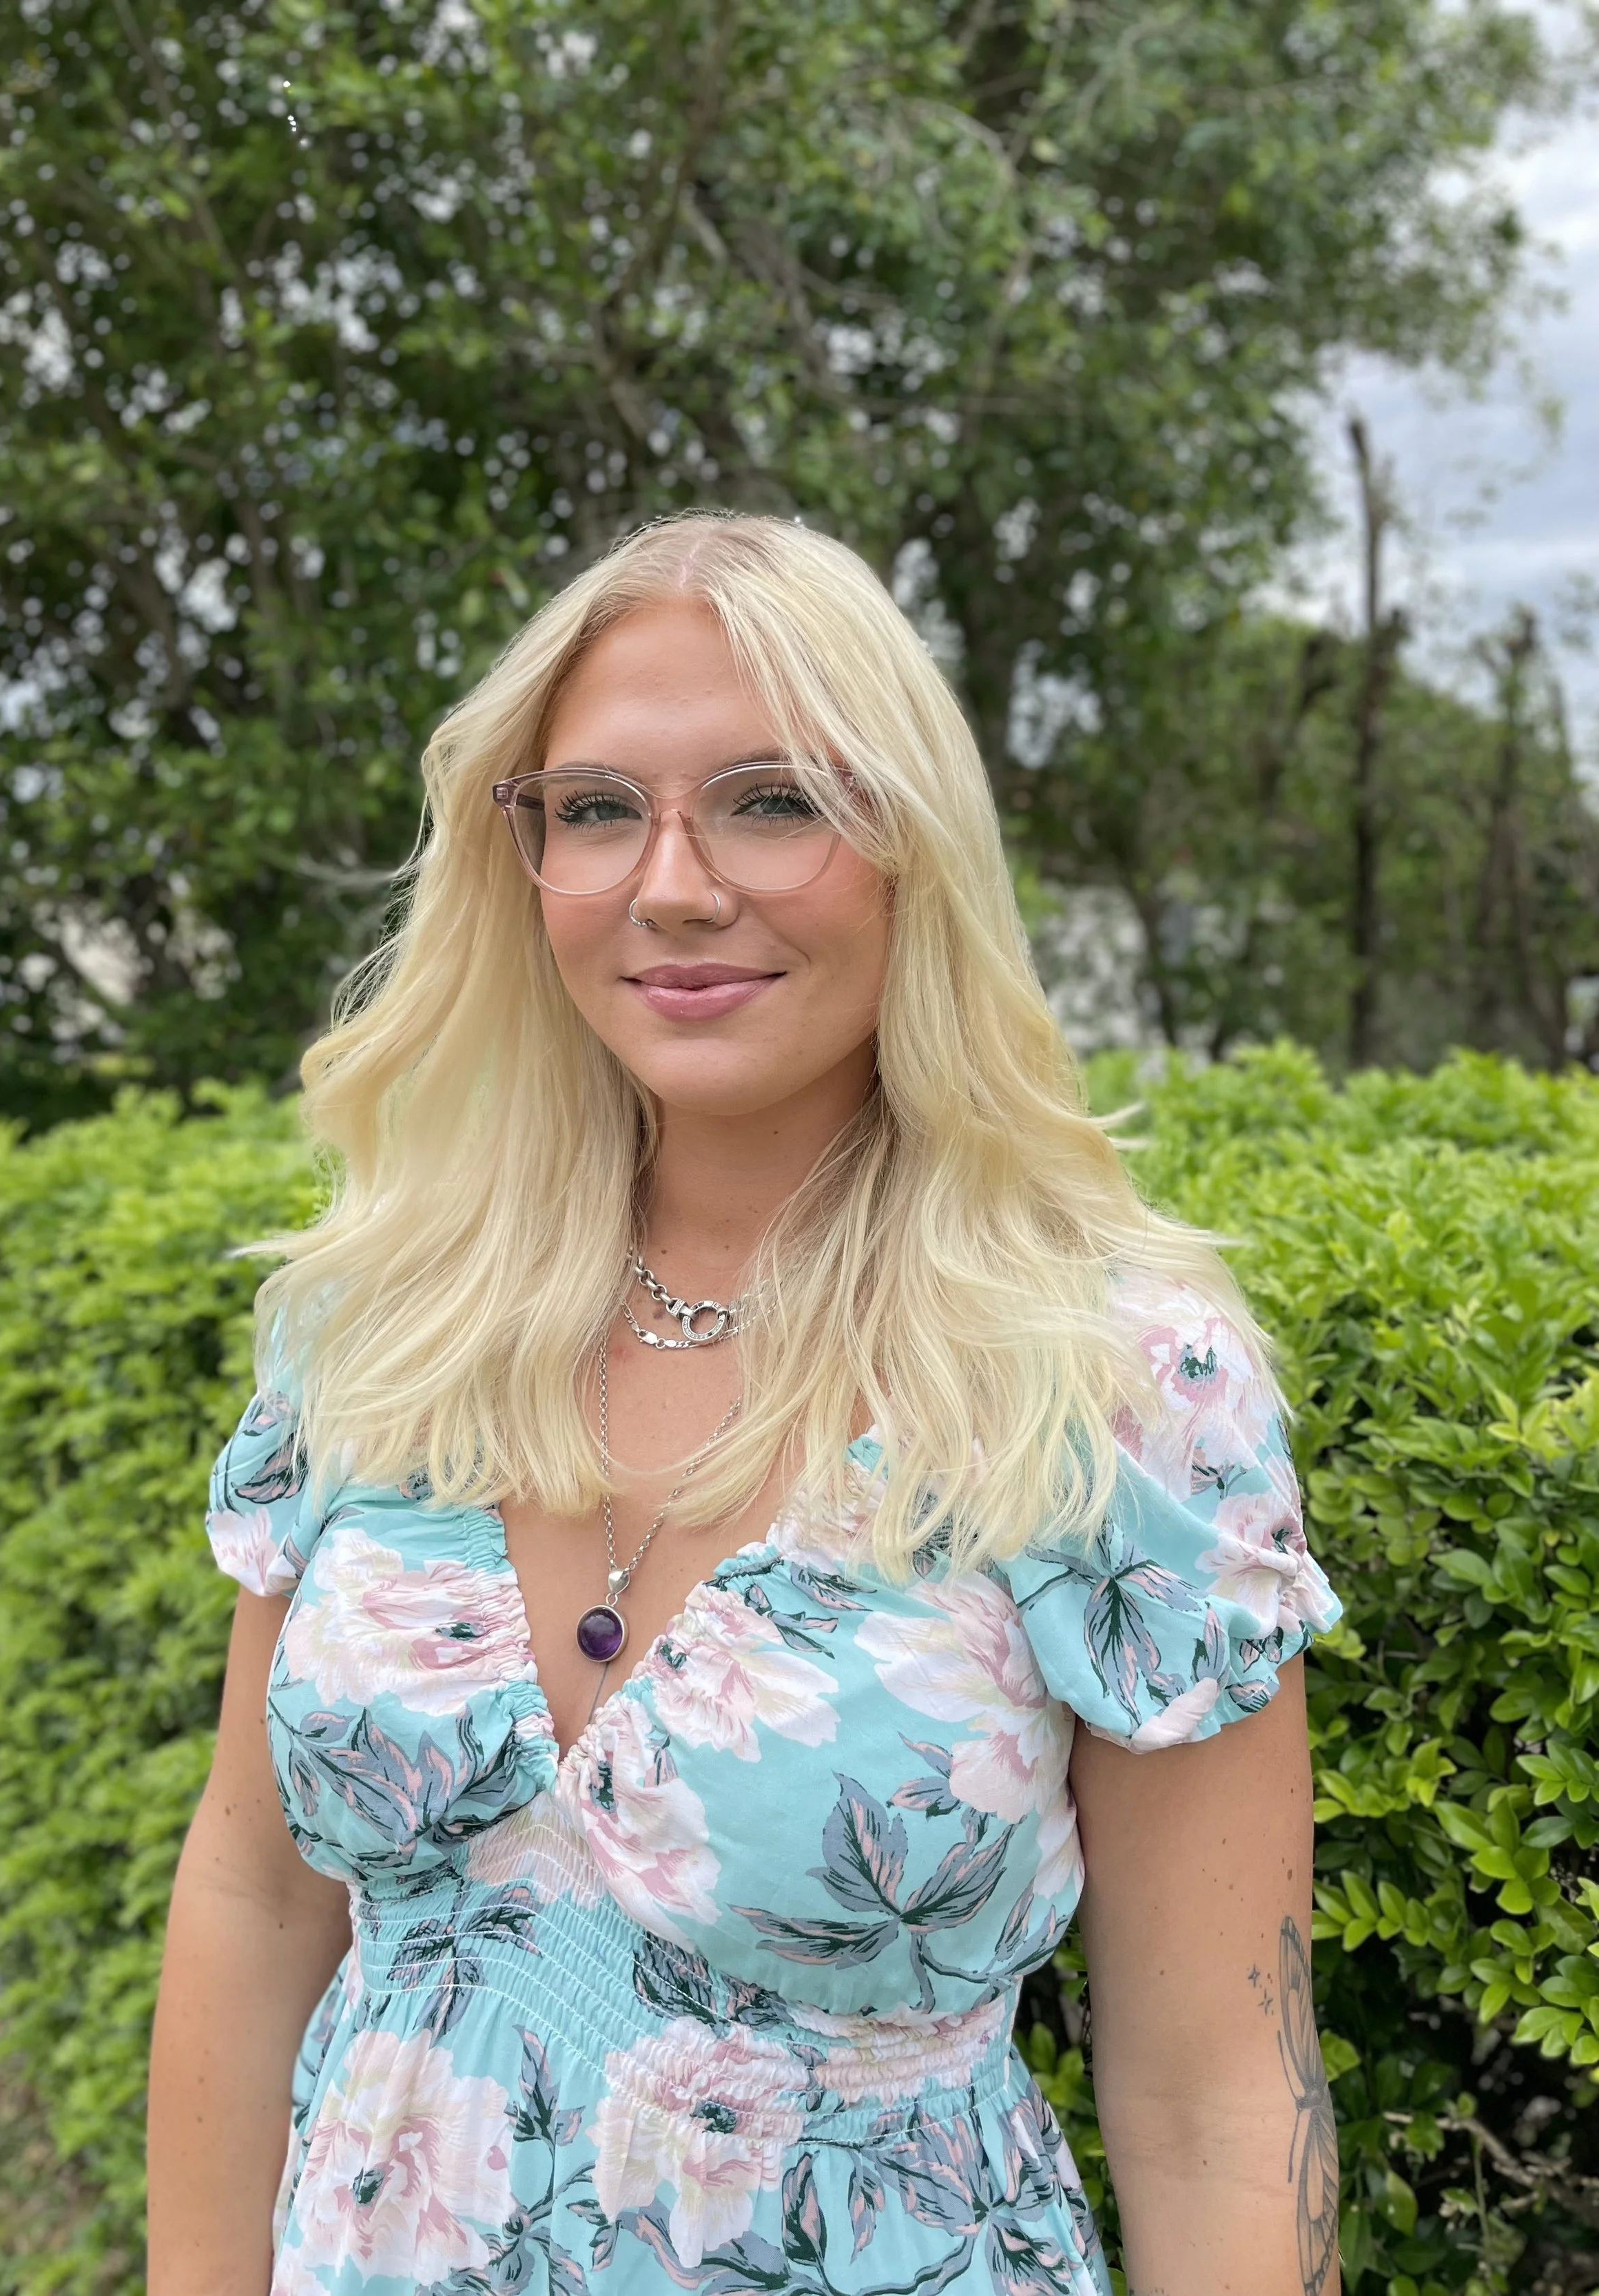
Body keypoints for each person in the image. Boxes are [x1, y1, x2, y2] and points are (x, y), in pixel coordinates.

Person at [147, 513, 1343, 2296]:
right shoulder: (378, 1329)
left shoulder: (1108, 1383)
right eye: (600, 807)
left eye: (774, 799)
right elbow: (252, 1905)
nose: (676, 882)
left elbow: (1211, 2086)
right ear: (525, 854)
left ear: (908, 848)